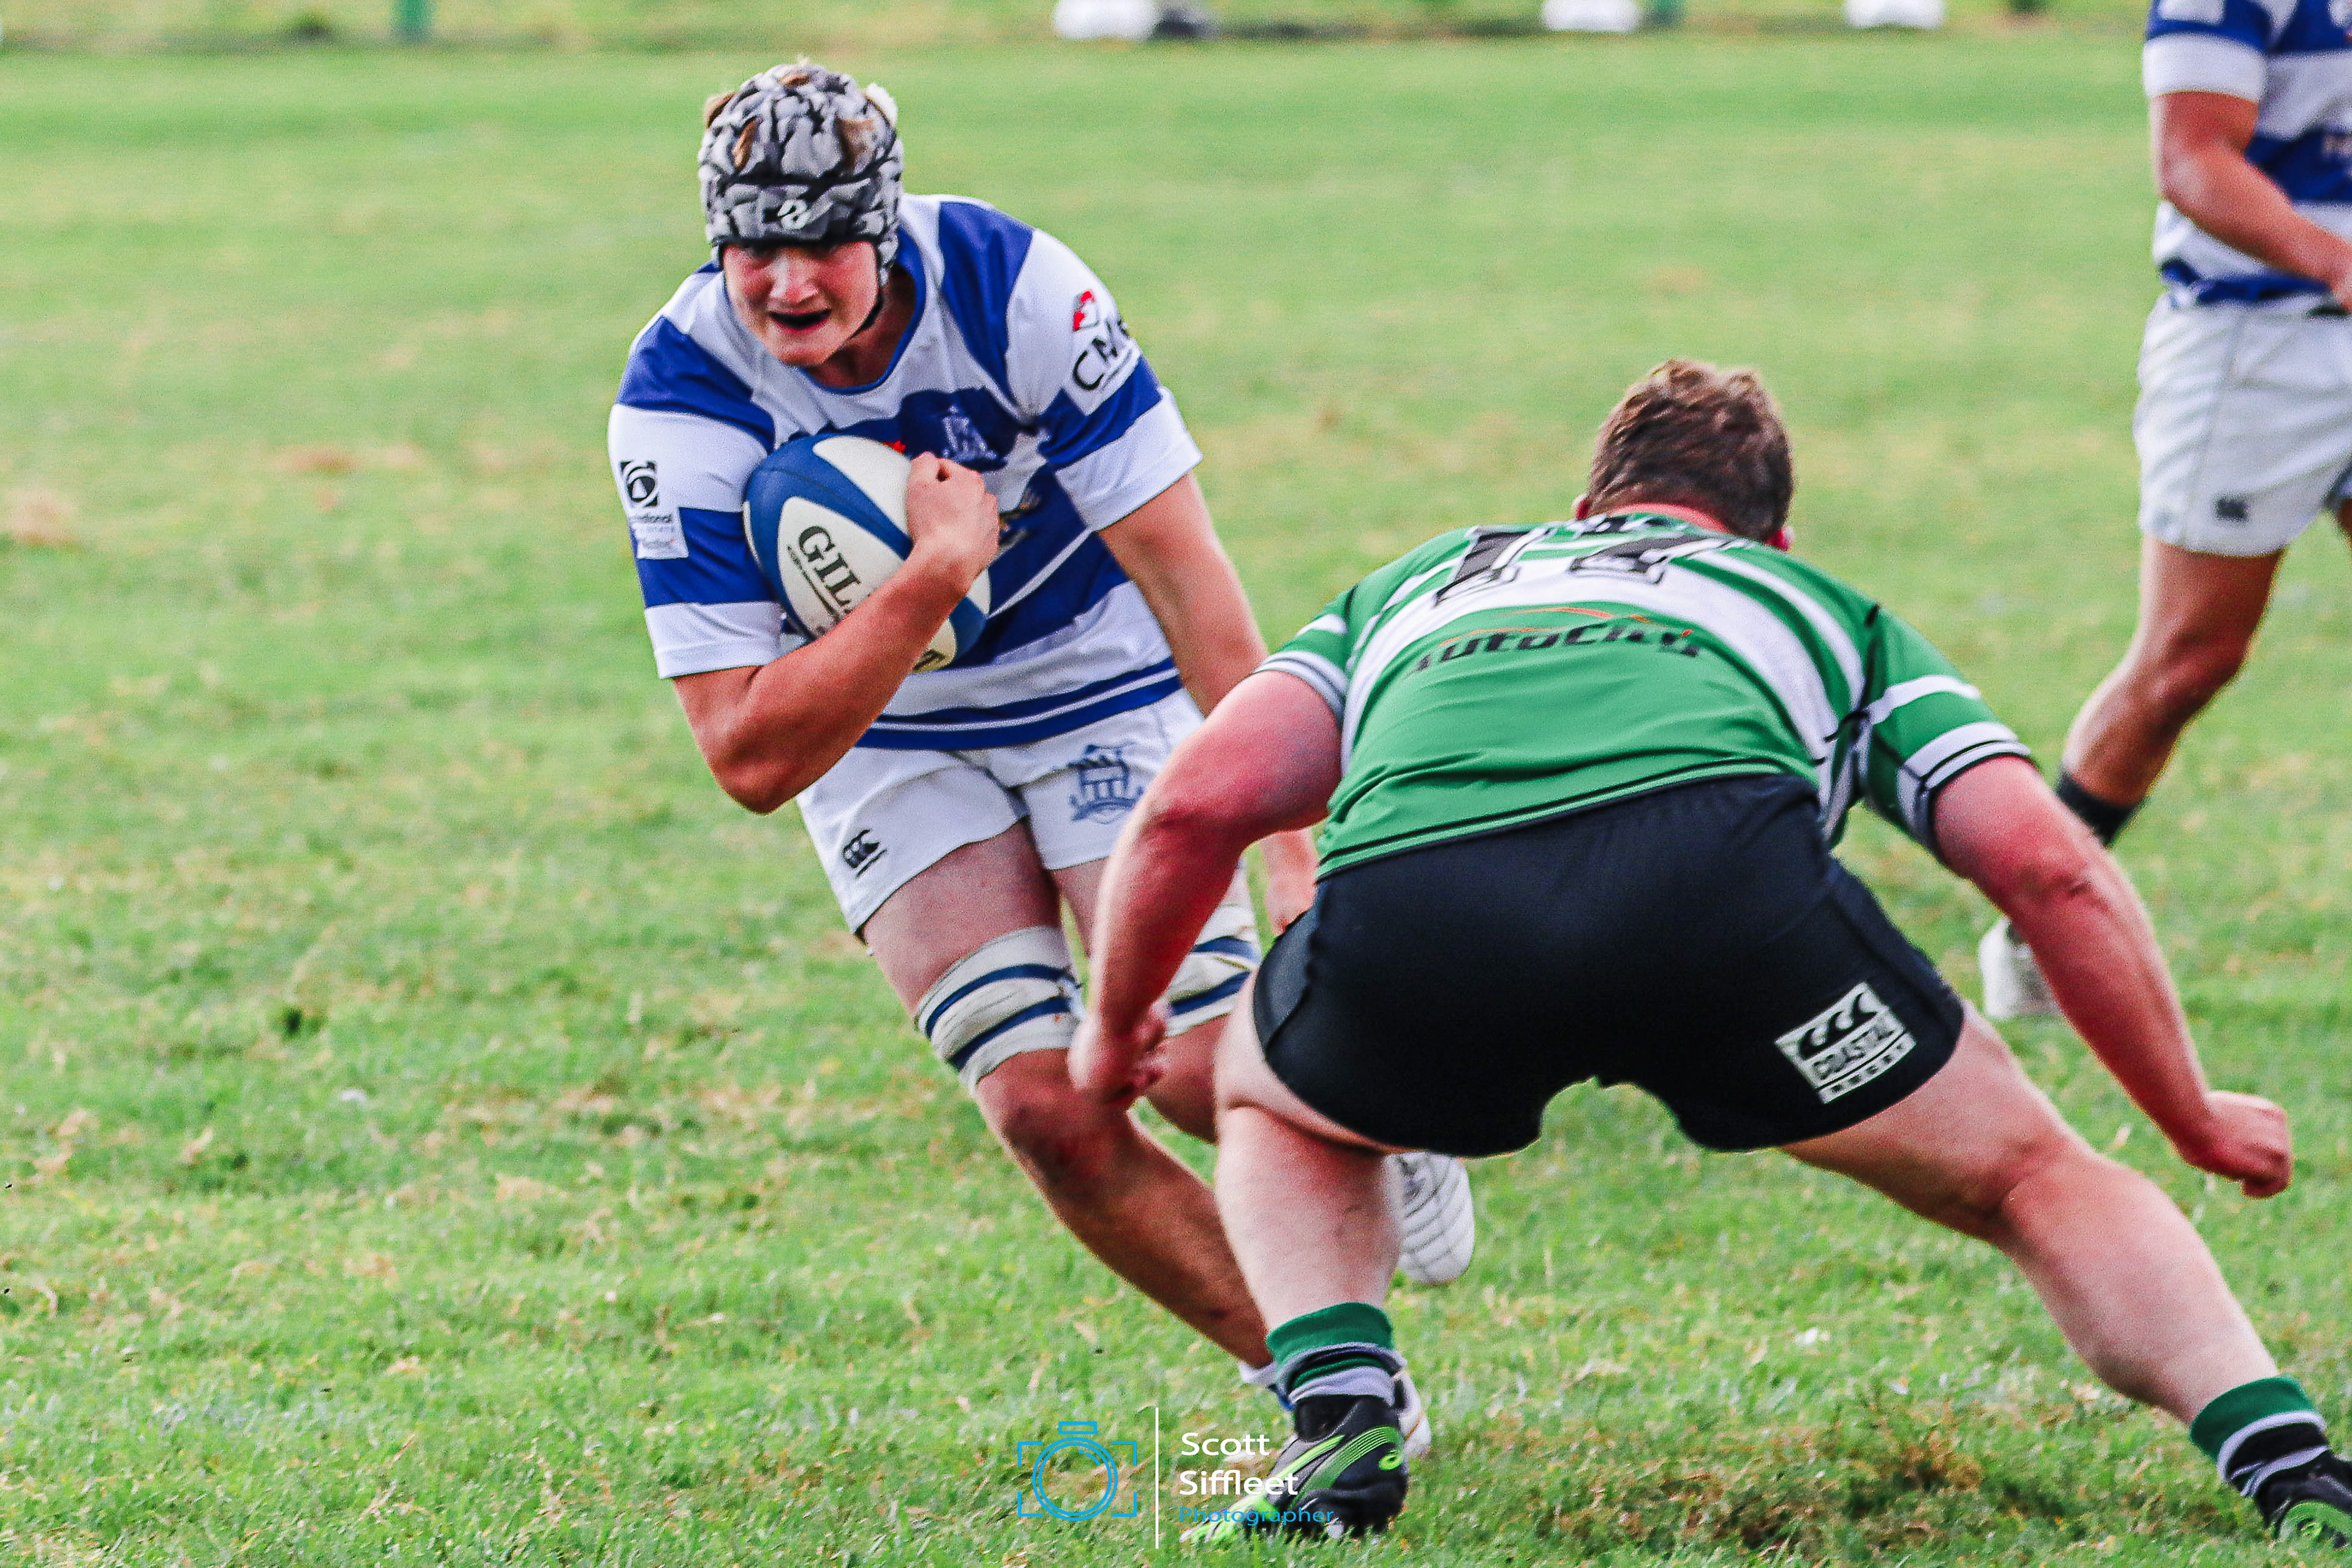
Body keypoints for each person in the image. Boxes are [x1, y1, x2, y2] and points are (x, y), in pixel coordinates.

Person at [1074, 361, 2352, 1545]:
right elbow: (2048, 867)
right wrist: (2189, 1114)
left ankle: (1342, 1429)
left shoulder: (1426, 580)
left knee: (1274, 1099)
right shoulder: (1819, 605)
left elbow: (1194, 808)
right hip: (1724, 906)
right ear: (1774, 537)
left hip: (1428, 916)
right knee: (2030, 1176)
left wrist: (1122, 1021)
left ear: (1585, 510)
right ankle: (2293, 1469)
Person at [604, 64, 1471, 1425]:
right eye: (752, 245)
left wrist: (1295, 849)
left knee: (1196, 1067)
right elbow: (748, 757)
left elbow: (1188, 580)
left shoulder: (1017, 292)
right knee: (1043, 1111)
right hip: (888, 736)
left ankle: (1373, 1095)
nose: (787, 280)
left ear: (885, 226)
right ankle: (1337, 1393)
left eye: (823, 239)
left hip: (1096, 686)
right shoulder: (678, 399)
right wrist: (933, 575)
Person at [1980, 0, 2352, 1016]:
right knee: (2189, 661)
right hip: (2254, 348)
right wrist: (2335, 260)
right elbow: (2193, 159)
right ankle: (2039, 916)